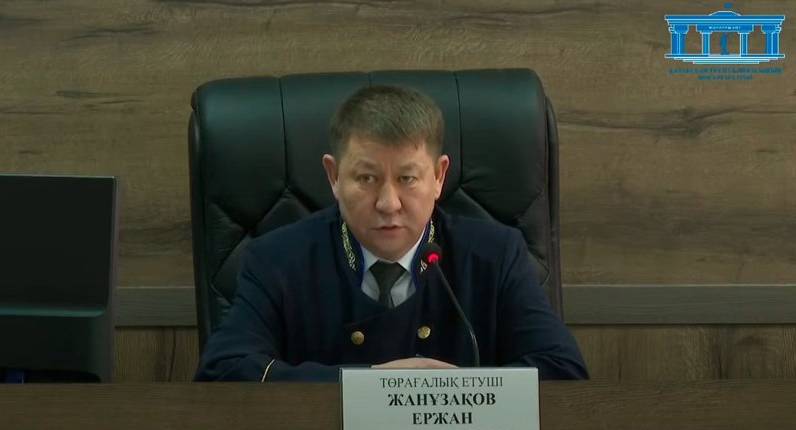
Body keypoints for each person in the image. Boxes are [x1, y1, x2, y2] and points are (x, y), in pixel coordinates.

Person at [194, 85, 588, 382]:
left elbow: (563, 371)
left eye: (407, 178)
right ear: (334, 176)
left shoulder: (495, 255)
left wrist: (466, 390)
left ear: (439, 176)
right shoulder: (277, 259)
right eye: (366, 178)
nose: (388, 203)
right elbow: (223, 370)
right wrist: (374, 384)